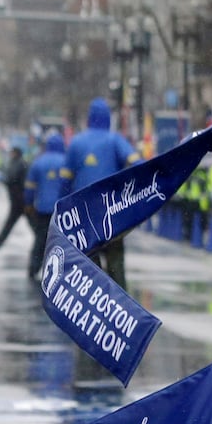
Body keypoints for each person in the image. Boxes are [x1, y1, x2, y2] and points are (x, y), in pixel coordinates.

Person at [65, 97, 140, 288]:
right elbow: (136, 163)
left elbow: (65, 180)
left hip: (84, 216)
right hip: (112, 216)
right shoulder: (115, 140)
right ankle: (119, 307)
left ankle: (93, 304)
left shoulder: (76, 143)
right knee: (116, 263)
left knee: (88, 266)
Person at [23, 132, 70, 279]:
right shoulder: (66, 161)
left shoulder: (38, 162)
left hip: (42, 209)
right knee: (62, 243)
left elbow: (30, 187)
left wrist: (28, 204)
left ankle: (33, 269)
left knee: (40, 240)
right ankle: (60, 273)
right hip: (62, 210)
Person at [0, 145, 28, 249]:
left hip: (19, 200)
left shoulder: (18, 164)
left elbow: (11, 178)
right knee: (32, 225)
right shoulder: (19, 163)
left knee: (11, 223)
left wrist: (2, 178)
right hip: (19, 199)